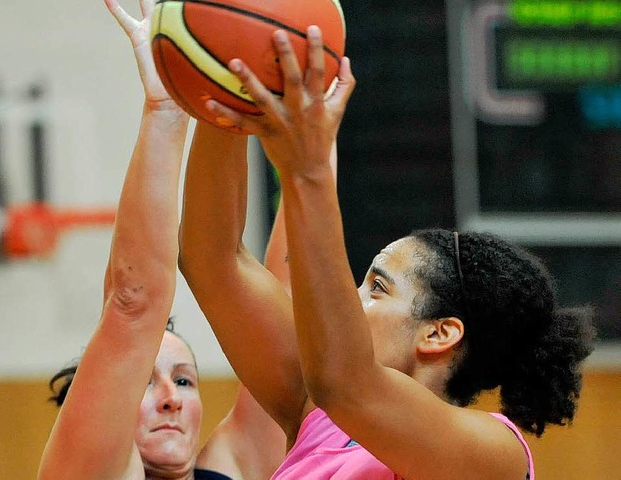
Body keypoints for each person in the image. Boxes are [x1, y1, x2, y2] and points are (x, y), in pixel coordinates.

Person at [178, 26, 597, 480]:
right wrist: (225, 81)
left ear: (439, 333)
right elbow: (213, 259)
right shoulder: (319, 408)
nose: (352, 301)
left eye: (377, 287)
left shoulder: (495, 454)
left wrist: (308, 172)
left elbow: (347, 383)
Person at [37, 1, 287, 479]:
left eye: (184, 380)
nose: (171, 399)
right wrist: (166, 109)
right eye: (146, 386)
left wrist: (232, 82)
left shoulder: (236, 465)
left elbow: (284, 294)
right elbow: (132, 305)